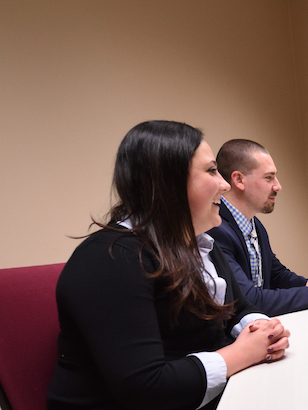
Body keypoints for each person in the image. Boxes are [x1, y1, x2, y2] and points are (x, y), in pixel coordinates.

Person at [47, 121, 291, 409]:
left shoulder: (199, 243)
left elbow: (239, 308)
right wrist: (242, 354)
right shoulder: (110, 260)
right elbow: (147, 387)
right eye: (212, 171)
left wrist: (262, 330)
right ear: (169, 182)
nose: (224, 185)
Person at [207, 139, 308, 316]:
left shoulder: (255, 225)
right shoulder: (215, 228)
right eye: (269, 178)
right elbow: (247, 300)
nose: (278, 186)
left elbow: (276, 274)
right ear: (239, 179)